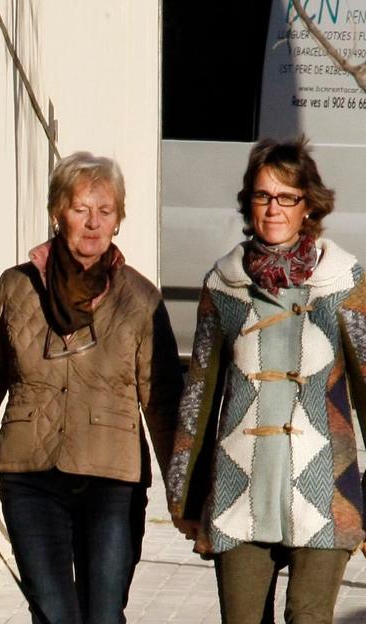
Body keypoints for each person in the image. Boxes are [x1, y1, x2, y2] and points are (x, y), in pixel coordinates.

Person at [0, 151, 183, 624]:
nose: (92, 223)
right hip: (30, 476)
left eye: (105, 211)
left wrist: (182, 495)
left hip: (112, 480)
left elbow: (164, 404)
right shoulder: (15, 288)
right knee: (53, 615)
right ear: (56, 213)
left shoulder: (140, 299)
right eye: (80, 209)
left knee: (103, 616)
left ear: (119, 221)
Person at [167, 137, 366, 623]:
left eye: (286, 197)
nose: (273, 208)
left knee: (309, 618)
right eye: (262, 195)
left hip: (327, 495)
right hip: (239, 489)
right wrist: (186, 501)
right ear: (248, 203)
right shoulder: (223, 285)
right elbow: (198, 396)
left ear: (308, 206)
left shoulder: (345, 283)